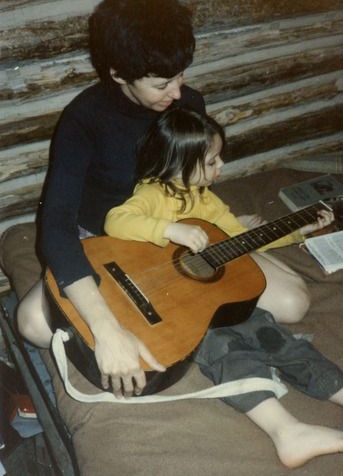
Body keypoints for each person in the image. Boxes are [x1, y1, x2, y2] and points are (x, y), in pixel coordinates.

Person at [15, 0, 318, 399]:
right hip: (105, 242)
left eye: (180, 76)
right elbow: (56, 221)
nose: (177, 94)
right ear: (118, 73)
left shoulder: (187, 101)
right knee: (32, 323)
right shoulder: (84, 118)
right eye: (161, 84)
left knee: (293, 304)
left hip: (173, 235)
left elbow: (192, 184)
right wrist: (106, 327)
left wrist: (222, 230)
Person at [104, 107, 343, 469]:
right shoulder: (152, 193)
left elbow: (237, 240)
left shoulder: (207, 200)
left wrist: (297, 231)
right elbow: (116, 220)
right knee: (223, 348)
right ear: (178, 162)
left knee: (269, 331)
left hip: (210, 296)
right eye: (213, 160)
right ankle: (288, 431)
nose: (222, 167)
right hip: (166, 307)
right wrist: (171, 231)